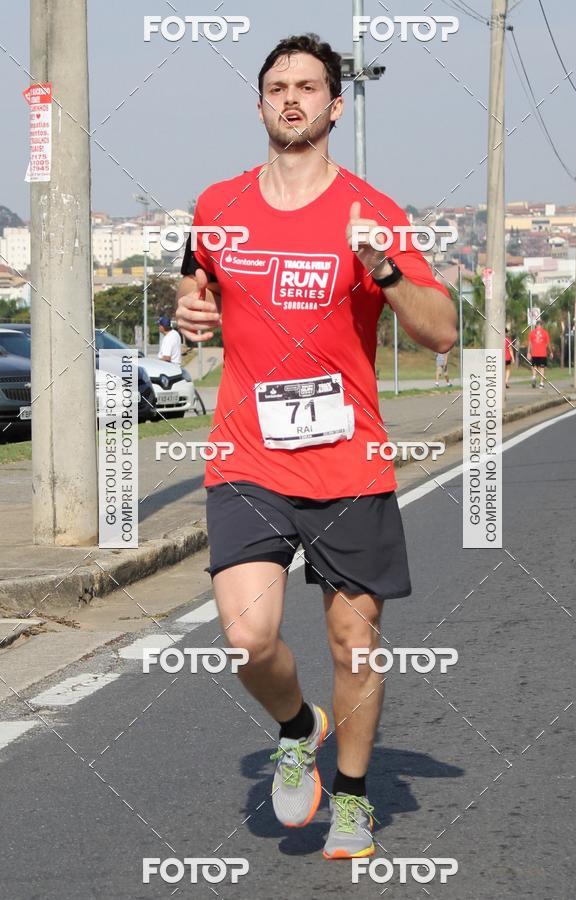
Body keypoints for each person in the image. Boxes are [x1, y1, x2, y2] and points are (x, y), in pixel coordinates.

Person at [176, 34, 457, 859]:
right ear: (260, 103)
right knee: (247, 638)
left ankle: (355, 798)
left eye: (307, 86)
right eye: (277, 86)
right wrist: (187, 314)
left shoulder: (374, 213)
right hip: (248, 458)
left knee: (352, 643)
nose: (291, 97)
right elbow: (194, 286)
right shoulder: (218, 205)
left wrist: (387, 271)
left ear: (335, 106)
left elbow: (443, 331)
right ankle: (299, 726)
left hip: (347, 462)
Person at [527, 322, 552, 388]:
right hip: (542, 353)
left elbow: (530, 343)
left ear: (536, 325)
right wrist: (551, 352)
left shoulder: (532, 333)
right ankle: (541, 383)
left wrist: (528, 352)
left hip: (534, 353)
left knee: (534, 366)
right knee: (542, 368)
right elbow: (548, 343)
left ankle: (534, 377)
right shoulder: (545, 333)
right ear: (542, 325)